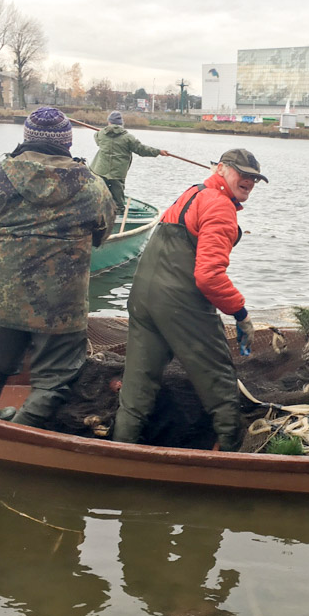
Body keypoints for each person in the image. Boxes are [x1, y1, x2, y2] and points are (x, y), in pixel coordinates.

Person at [0, 106, 115, 428]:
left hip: (6, 293)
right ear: (67, 143)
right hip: (62, 303)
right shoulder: (91, 184)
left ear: (27, 139)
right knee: (55, 378)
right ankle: (22, 430)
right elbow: (103, 233)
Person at [113, 148, 268, 451]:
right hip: (181, 304)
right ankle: (234, 454)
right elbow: (209, 276)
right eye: (242, 174)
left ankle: (119, 453)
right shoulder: (221, 206)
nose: (249, 181)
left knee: (138, 385)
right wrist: (240, 313)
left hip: (143, 297)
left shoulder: (193, 193)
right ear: (221, 169)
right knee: (219, 378)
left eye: (254, 178)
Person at [89, 110, 169, 211]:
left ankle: (98, 213)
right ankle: (119, 213)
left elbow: (97, 140)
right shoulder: (128, 138)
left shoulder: (100, 134)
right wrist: (158, 152)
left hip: (101, 171)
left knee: (100, 195)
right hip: (117, 173)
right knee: (118, 199)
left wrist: (103, 132)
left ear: (109, 122)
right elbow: (141, 150)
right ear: (121, 124)